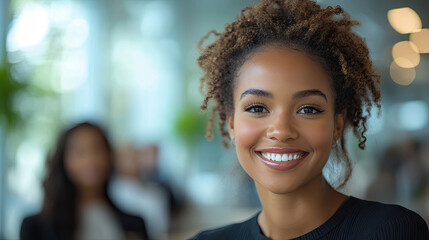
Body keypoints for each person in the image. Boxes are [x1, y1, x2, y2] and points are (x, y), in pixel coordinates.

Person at [190, 0, 429, 239]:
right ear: (231, 123)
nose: (281, 131)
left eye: (308, 110)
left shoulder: (392, 231)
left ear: (337, 125)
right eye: (256, 107)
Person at [20, 122, 149, 240]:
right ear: (63, 160)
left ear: (109, 156)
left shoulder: (135, 223)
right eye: (79, 152)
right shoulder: (37, 226)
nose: (90, 159)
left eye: (97, 149)